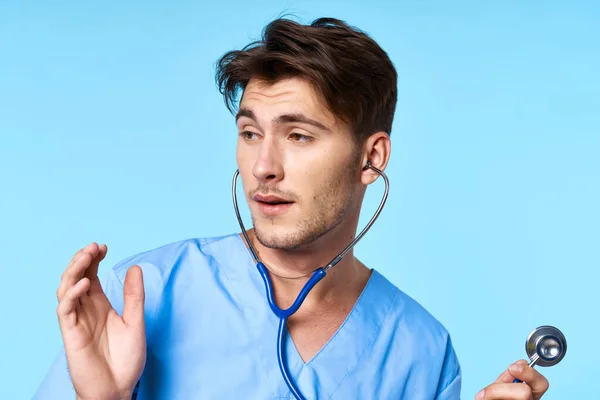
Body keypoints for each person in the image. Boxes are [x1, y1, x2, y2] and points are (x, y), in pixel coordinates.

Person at [34, 17, 550, 400]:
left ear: (371, 158)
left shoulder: (421, 351)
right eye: (250, 133)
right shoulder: (141, 296)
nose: (263, 166)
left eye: (298, 135)